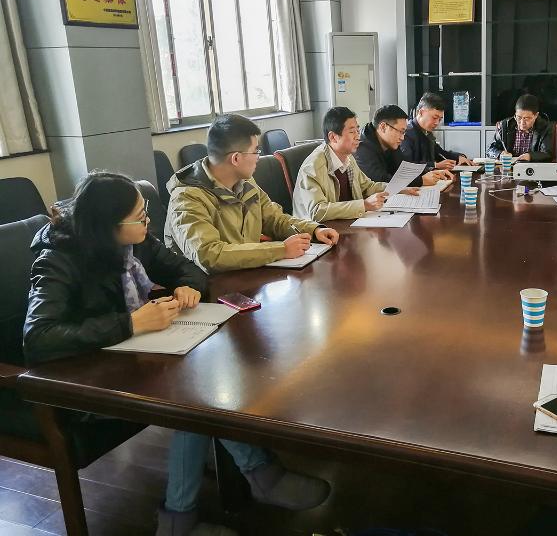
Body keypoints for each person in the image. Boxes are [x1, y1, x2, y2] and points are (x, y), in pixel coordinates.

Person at [23, 172, 330, 536]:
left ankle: (255, 475)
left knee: (214, 373)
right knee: (192, 400)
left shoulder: (133, 241)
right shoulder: (58, 258)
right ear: (109, 226)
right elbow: (38, 337)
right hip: (76, 381)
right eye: (139, 217)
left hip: (127, 354)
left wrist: (187, 287)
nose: (147, 221)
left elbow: (186, 268)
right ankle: (190, 514)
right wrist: (130, 323)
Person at [164, 114, 339, 273]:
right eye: (255, 151)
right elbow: (209, 255)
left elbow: (274, 218)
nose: (258, 157)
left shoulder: (245, 182)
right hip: (205, 289)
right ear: (236, 158)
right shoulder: (187, 198)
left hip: (246, 275)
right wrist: (281, 250)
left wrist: (314, 230)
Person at [293, 107, 418, 221]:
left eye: (358, 130)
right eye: (352, 132)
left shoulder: (348, 158)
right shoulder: (313, 166)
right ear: (333, 137)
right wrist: (364, 205)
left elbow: (367, 187)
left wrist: (397, 189)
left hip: (344, 224)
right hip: (316, 232)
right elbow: (317, 211)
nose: (358, 136)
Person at [354, 105, 453, 186]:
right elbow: (380, 181)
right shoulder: (362, 147)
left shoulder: (390, 142)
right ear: (383, 127)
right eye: (401, 132)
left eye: (404, 132)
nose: (402, 138)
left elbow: (403, 167)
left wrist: (431, 172)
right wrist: (421, 181)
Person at [400, 92, 474, 171]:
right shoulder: (406, 134)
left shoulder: (427, 132)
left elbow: (439, 152)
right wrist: (435, 165)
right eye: (434, 118)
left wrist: (458, 157)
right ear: (421, 112)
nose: (437, 123)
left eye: (440, 119)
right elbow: (407, 165)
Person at [487, 94, 556, 161]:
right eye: (519, 117)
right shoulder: (505, 125)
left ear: (536, 115)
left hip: (532, 166)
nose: (522, 122)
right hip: (509, 166)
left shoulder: (545, 127)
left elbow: (547, 154)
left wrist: (530, 156)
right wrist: (500, 154)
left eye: (527, 118)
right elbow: (490, 149)